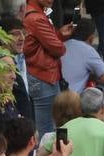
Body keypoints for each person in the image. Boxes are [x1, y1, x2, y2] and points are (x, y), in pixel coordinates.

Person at [23, 0, 76, 136]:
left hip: (43, 74)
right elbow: (58, 49)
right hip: (42, 75)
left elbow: (43, 43)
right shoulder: (36, 18)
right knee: (47, 128)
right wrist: (59, 41)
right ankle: (51, 155)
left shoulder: (33, 14)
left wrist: (58, 35)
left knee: (49, 125)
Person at [61, 18, 104, 106]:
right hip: (73, 100)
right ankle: (93, 118)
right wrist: (92, 77)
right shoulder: (88, 50)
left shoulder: (61, 44)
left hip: (57, 97)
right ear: (91, 38)